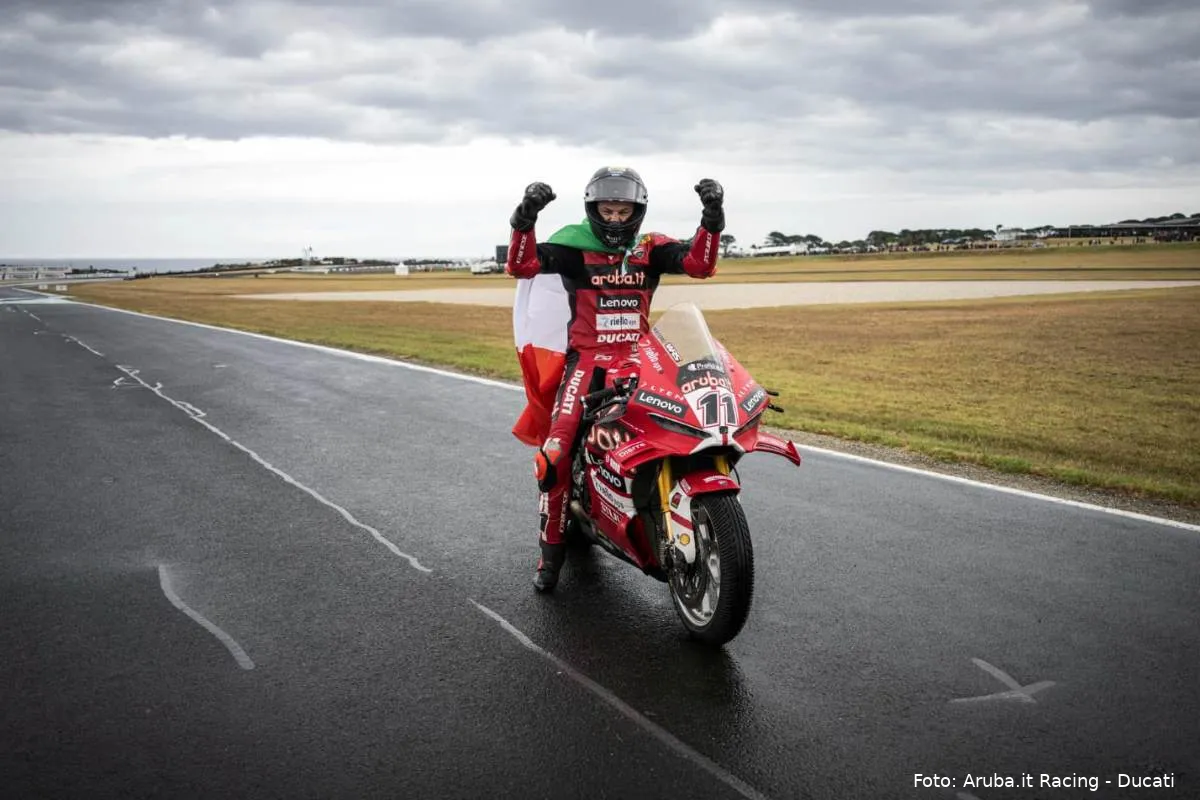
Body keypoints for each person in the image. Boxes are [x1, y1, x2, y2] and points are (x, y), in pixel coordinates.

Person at [505, 166, 726, 591]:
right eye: (607, 210)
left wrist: (712, 220)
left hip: (644, 360)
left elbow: (699, 265)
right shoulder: (573, 247)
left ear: (637, 211)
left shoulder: (650, 248)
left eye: (624, 211)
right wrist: (524, 219)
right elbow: (522, 265)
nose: (615, 219)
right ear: (593, 209)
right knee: (553, 457)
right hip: (587, 364)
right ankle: (551, 555)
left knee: (688, 426)